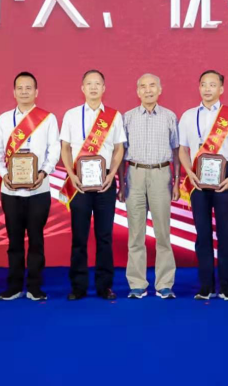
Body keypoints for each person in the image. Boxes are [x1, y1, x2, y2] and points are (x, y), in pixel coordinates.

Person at [178, 70, 228, 301]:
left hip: (224, 178)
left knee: (225, 233)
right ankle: (205, 287)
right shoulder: (188, 116)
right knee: (203, 233)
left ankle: (227, 287)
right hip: (197, 178)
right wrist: (189, 173)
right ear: (199, 87)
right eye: (203, 84)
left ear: (221, 89)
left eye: (212, 84)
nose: (207, 88)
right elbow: (183, 150)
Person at [0, 72, 60, 301]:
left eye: (28, 88)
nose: (24, 92)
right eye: (20, 88)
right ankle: (13, 286)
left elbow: (54, 150)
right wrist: (5, 175)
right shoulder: (4, 119)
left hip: (39, 188)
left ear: (36, 92)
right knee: (14, 240)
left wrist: (43, 172)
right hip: (10, 190)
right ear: (14, 92)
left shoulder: (47, 118)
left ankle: (34, 287)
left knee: (36, 239)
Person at [59, 69, 126, 300]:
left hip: (105, 180)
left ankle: (104, 286)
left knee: (104, 236)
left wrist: (112, 174)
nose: (94, 87)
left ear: (104, 88)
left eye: (98, 83)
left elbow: (119, 148)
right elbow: (65, 148)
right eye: (89, 83)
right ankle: (78, 286)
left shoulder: (114, 116)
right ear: (82, 88)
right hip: (78, 181)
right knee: (79, 236)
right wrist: (71, 174)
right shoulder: (71, 115)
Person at [117, 73, 180, 299]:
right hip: (134, 174)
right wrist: (121, 182)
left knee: (163, 233)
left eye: (152, 85)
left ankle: (164, 284)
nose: (148, 90)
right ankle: (137, 283)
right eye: (143, 86)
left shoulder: (170, 117)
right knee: (136, 234)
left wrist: (177, 181)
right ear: (137, 92)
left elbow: (176, 151)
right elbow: (120, 153)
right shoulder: (128, 117)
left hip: (162, 175)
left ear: (160, 89)